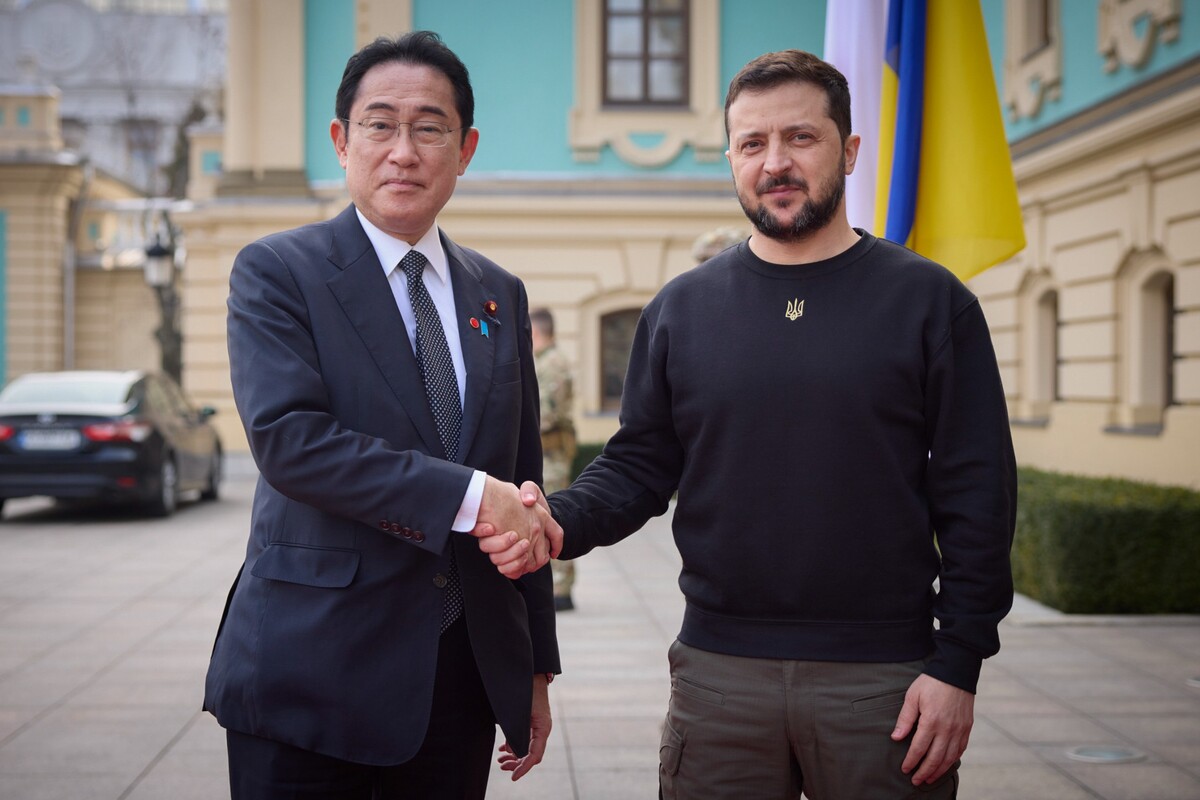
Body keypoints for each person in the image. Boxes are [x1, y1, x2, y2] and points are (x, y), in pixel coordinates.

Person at [480, 49, 1016, 798]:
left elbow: (978, 492)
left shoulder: (930, 302)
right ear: (730, 158)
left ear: (850, 150)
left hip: (884, 682)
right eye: (753, 144)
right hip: (717, 676)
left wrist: (958, 661)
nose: (776, 163)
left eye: (801, 137)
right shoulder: (682, 308)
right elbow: (639, 465)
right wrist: (554, 519)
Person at [204, 31, 561, 800]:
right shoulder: (278, 272)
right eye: (380, 124)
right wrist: (470, 496)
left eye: (429, 128)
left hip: (457, 681)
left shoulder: (497, 292)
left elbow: (521, 481)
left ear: (464, 149)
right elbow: (292, 444)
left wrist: (532, 665)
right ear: (342, 140)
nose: (404, 150)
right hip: (311, 676)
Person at [529, 307, 579, 611]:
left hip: (552, 454)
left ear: (536, 333)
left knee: (555, 511)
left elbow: (547, 413)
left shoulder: (552, 364)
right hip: (547, 453)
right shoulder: (544, 361)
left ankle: (561, 588)